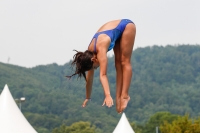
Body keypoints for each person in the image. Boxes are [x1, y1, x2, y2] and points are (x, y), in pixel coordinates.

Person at [67, 19, 136, 113]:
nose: (96, 68)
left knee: (124, 62)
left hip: (126, 26)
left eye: (95, 67)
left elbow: (103, 75)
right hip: (116, 33)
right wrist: (88, 97)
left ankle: (125, 96)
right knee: (117, 65)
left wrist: (107, 95)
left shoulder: (100, 49)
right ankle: (118, 98)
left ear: (93, 60)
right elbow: (89, 78)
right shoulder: (89, 55)